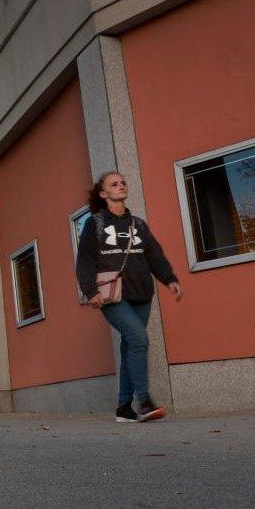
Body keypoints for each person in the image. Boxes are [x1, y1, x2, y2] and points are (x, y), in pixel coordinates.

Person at [76, 172, 183, 423]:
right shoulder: (95, 223)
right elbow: (85, 260)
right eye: (114, 184)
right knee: (138, 338)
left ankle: (124, 408)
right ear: (103, 194)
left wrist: (170, 279)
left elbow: (154, 255)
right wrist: (90, 290)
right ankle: (144, 402)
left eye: (123, 182)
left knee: (129, 346)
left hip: (142, 293)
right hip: (112, 296)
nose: (121, 186)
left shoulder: (139, 224)